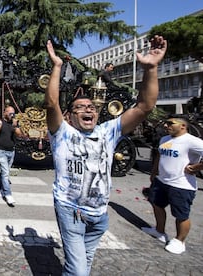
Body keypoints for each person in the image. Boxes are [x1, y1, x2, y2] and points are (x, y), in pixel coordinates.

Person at [45, 35, 167, 275]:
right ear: (69, 117)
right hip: (72, 211)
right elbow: (51, 104)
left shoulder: (108, 131)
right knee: (78, 270)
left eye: (91, 107)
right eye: (79, 108)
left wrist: (152, 68)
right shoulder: (62, 133)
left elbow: (144, 106)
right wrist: (57, 66)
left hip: (99, 216)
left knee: (84, 265)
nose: (87, 109)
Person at [141, 116, 203, 254]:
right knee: (156, 205)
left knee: (181, 215)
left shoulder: (192, 141)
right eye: (166, 123)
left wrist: (196, 167)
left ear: (183, 126)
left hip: (181, 185)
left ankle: (180, 240)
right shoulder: (165, 139)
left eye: (170, 123)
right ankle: (159, 231)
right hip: (161, 181)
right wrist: (154, 172)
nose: (166, 126)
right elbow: (159, 155)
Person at [0, 105, 24, 206]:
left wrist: (15, 126)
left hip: (11, 151)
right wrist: (0, 125)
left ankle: (1, 186)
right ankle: (8, 194)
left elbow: (19, 135)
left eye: (13, 113)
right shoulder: (0, 122)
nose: (12, 115)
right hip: (1, 151)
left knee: (5, 172)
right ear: (5, 113)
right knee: (5, 173)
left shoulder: (14, 123)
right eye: (10, 113)